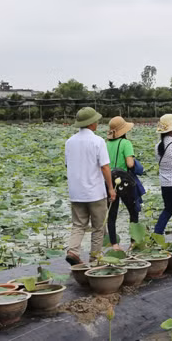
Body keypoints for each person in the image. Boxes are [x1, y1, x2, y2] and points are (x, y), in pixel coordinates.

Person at [64, 107, 116, 265]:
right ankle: (95, 259)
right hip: (95, 192)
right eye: (96, 121)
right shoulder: (98, 141)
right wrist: (111, 188)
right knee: (98, 227)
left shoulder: (69, 142)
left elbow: (68, 165)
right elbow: (105, 167)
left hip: (76, 192)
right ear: (92, 123)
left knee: (78, 225)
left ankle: (73, 251)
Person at [105, 116, 141, 251]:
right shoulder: (126, 143)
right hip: (124, 181)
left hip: (109, 181)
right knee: (133, 211)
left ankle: (114, 245)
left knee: (112, 214)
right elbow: (130, 163)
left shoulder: (105, 144)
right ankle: (133, 242)